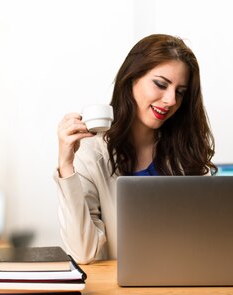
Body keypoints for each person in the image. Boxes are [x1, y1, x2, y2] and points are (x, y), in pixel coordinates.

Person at [54, 34, 216, 264]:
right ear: (131, 78)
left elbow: (206, 241)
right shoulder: (91, 154)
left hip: (182, 286)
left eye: (180, 92)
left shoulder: (184, 153)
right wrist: (66, 165)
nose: (170, 100)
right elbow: (83, 253)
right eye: (161, 84)